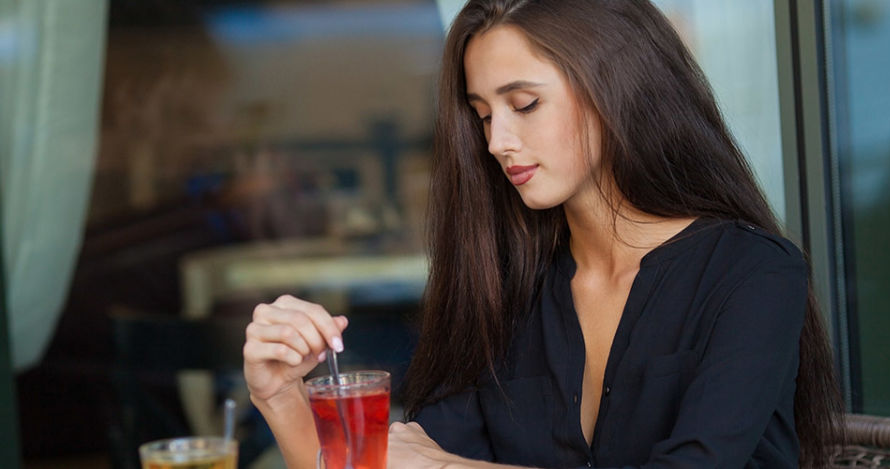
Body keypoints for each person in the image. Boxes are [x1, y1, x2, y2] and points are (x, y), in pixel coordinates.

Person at [242, 0, 845, 468]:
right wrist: (281, 399)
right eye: (482, 115)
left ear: (617, 91)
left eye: (524, 104)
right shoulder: (504, 287)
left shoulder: (752, 274)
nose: (497, 140)